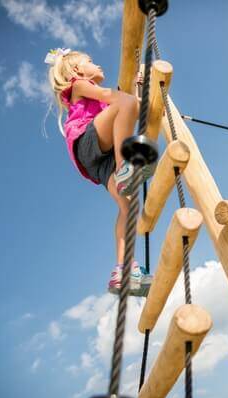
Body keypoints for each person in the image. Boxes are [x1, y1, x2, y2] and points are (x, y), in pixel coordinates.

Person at [45, 48, 153, 295]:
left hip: (98, 161)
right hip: (87, 141)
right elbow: (121, 102)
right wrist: (129, 97)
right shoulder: (79, 85)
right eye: (90, 61)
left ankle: (123, 269)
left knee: (127, 207)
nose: (97, 64)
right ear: (76, 70)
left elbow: (126, 113)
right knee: (125, 101)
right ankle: (125, 167)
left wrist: (136, 90)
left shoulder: (100, 101)